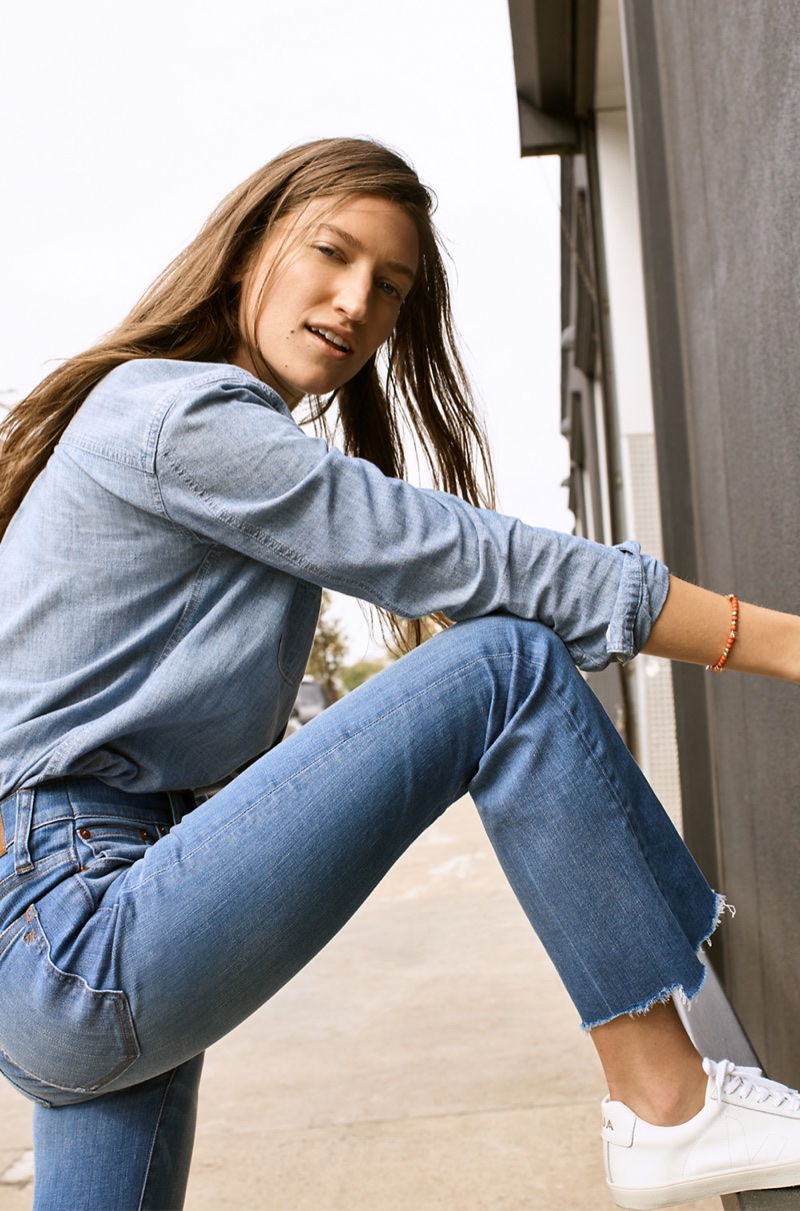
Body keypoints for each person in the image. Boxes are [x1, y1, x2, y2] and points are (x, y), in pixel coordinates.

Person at [0, 136, 799, 1211]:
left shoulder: (209, 448)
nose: (353, 302)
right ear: (249, 250)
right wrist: (781, 642)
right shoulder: (180, 415)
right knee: (506, 665)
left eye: (388, 288)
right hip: (72, 920)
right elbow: (483, 561)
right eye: (330, 254)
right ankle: (666, 1104)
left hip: (84, 913)